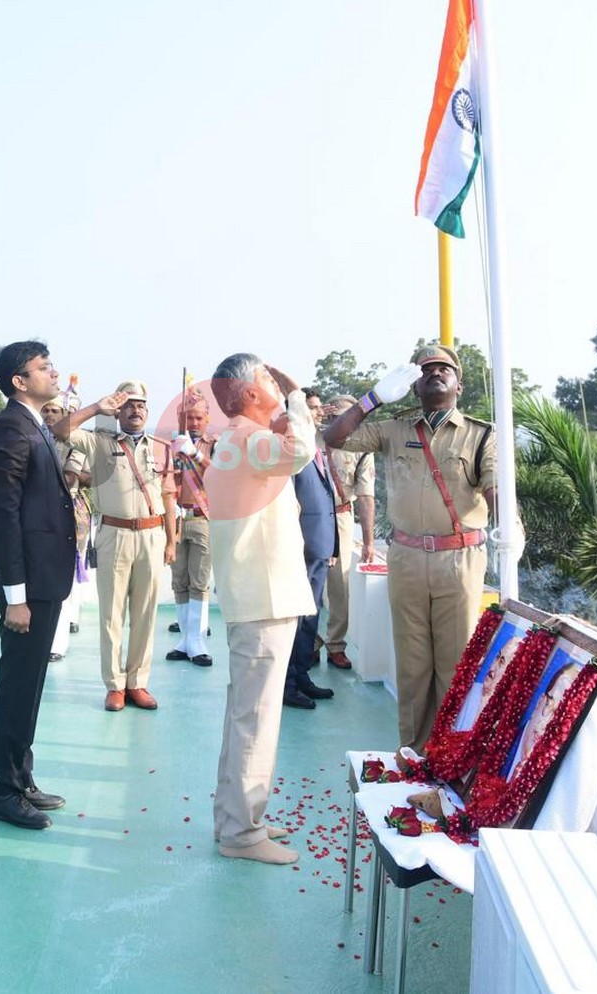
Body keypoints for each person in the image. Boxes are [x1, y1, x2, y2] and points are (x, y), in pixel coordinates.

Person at [324, 343, 497, 750]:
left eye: (444, 369)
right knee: (413, 665)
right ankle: (416, 754)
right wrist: (373, 398)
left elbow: (495, 488)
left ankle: (450, 759)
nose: (435, 373)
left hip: (459, 559)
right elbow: (333, 437)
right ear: (414, 386)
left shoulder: (481, 434)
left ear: (460, 384)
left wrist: (511, 526)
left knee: (455, 665)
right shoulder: (393, 429)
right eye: (425, 370)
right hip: (406, 559)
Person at [205, 353, 317, 865]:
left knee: (244, 713)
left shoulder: (233, 442)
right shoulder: (250, 440)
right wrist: (296, 398)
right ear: (250, 392)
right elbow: (301, 451)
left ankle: (231, 819)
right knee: (256, 717)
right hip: (265, 597)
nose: (275, 387)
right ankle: (242, 833)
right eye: (268, 381)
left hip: (254, 595)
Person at [0, 341, 76, 829]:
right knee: (18, 685)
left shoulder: (33, 424)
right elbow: (6, 515)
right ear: (20, 381)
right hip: (27, 584)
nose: (53, 372)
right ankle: (4, 791)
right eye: (44, 367)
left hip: (45, 577)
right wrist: (15, 597)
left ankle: (22, 778)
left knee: (32, 683)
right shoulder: (9, 429)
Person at [59, 380, 177, 711]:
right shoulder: (98, 442)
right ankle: (114, 684)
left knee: (145, 613)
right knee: (111, 614)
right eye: (127, 405)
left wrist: (171, 540)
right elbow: (60, 429)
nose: (134, 410)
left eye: (140, 404)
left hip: (152, 536)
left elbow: (169, 497)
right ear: (118, 411)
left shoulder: (160, 447)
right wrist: (97, 408)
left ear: (147, 411)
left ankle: (137, 682)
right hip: (114, 534)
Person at [280, 392, 339, 710]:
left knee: (311, 618)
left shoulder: (318, 450)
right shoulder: (291, 453)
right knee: (297, 620)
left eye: (318, 408)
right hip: (298, 550)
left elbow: (329, 503)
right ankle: (287, 684)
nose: (319, 413)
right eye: (312, 409)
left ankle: (301, 675)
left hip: (319, 551)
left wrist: (333, 547)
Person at [318, 395, 376, 670]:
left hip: (341, 515)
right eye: (334, 417)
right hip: (307, 516)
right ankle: (308, 642)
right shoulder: (311, 437)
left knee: (340, 585)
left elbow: (365, 495)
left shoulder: (362, 446)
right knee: (307, 581)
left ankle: (335, 645)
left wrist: (368, 541)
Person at [166, 378, 217, 667]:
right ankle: (185, 638)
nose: (194, 422)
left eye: (198, 417)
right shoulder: (170, 445)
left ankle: (198, 640)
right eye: (188, 417)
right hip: (177, 517)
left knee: (199, 582)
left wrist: (196, 453)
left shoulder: (215, 444)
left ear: (207, 419)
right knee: (179, 581)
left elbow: (222, 474)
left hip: (202, 517)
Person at [42, 375, 91, 663]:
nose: (49, 416)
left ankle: (59, 641)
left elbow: (71, 477)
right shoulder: (34, 438)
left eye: (55, 412)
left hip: (68, 512)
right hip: (40, 514)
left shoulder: (75, 444)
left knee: (66, 575)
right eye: (45, 411)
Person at [505, 660, 582, 780]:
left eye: (559, 716)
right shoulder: (505, 738)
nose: (546, 725)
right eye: (549, 703)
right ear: (539, 701)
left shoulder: (552, 777)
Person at [454, 627, 521, 731]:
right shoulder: (470, 685)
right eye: (497, 658)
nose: (493, 667)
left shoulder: (503, 715)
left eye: (502, 662)